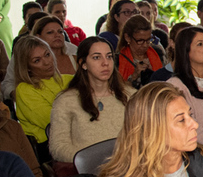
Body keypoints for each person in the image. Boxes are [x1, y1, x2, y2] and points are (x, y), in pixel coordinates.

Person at [48, 37, 130, 168]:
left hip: (129, 167)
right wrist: (90, 160)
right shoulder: (66, 101)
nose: (105, 63)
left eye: (109, 57)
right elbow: (58, 147)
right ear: (83, 64)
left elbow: (146, 135)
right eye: (97, 57)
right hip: (88, 172)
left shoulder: (131, 96)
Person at [13, 35, 70, 157]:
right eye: (37, 60)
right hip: (49, 147)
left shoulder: (69, 80)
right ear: (27, 67)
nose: (47, 62)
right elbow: (53, 121)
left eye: (47, 55)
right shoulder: (24, 90)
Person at [166, 26, 203, 145]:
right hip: (200, 152)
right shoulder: (175, 86)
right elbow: (185, 127)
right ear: (186, 51)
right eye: (200, 44)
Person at [116, 14, 162, 88]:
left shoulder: (158, 54)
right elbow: (116, 89)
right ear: (127, 38)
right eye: (140, 41)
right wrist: (134, 76)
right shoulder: (117, 60)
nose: (145, 45)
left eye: (148, 40)